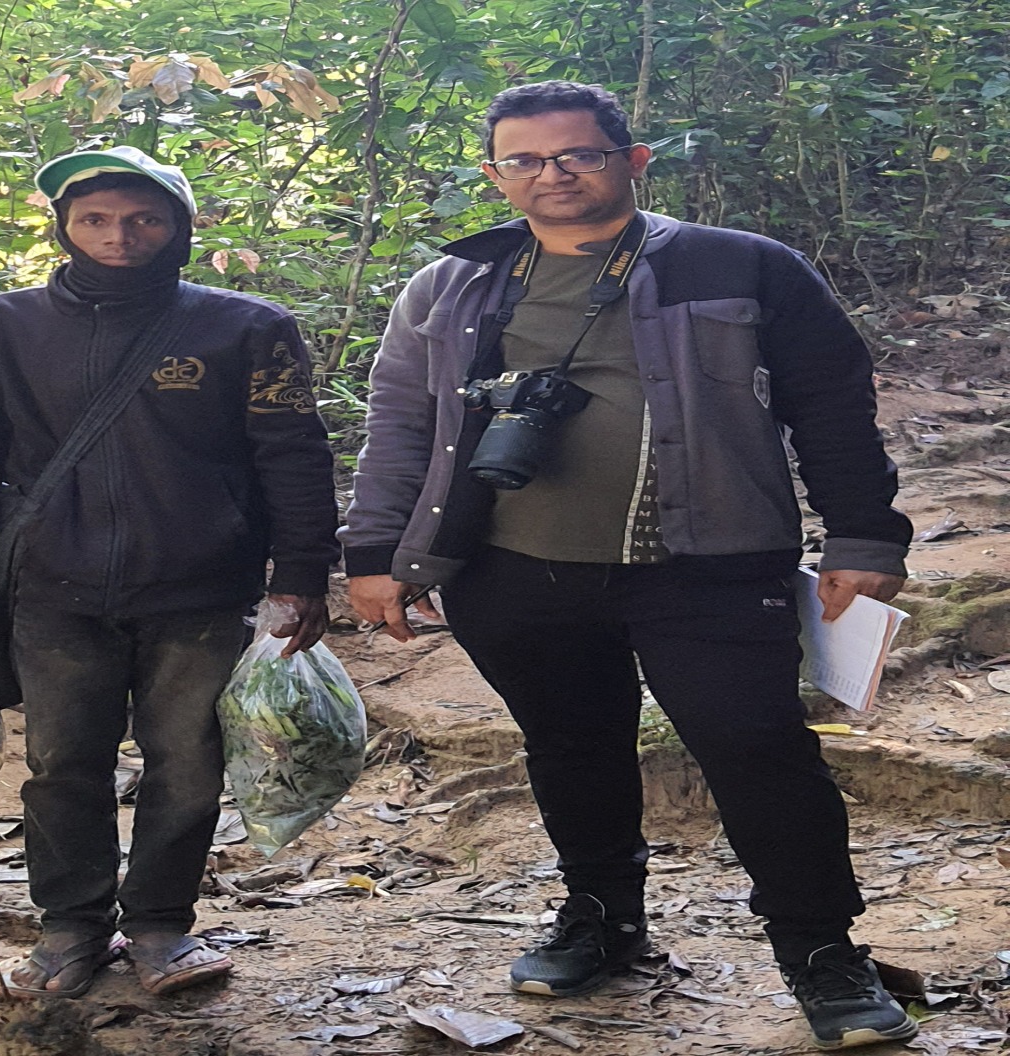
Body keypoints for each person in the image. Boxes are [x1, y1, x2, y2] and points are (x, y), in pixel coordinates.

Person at [342, 82, 917, 1050]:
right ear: (494, 174)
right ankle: (602, 919)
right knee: (570, 747)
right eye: (525, 160)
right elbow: (400, 422)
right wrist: (374, 553)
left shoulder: (741, 265)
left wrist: (863, 537)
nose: (553, 174)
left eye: (579, 154)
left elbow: (830, 405)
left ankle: (822, 950)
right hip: (511, 569)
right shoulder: (452, 286)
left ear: (633, 160)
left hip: (712, 564)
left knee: (758, 750)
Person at [0, 146, 338, 998]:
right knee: (62, 764)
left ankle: (159, 926)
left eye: (144, 219)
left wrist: (300, 575)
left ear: (180, 227)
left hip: (201, 590)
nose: (119, 236)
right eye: (96, 219)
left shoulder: (247, 327)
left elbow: (293, 456)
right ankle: (69, 926)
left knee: (188, 763)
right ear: (64, 227)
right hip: (53, 588)